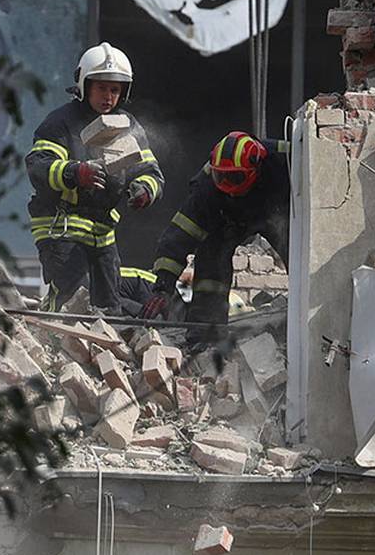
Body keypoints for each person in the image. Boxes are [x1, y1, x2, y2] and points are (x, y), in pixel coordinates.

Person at [25, 42, 164, 314]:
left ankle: (106, 353)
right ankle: (52, 345)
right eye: (101, 87)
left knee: (109, 307)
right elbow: (38, 167)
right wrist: (75, 173)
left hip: (102, 232)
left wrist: (144, 191)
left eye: (115, 89)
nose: (108, 96)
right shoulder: (60, 123)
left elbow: (151, 172)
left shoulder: (128, 126)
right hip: (61, 226)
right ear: (84, 85)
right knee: (70, 299)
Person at [142, 130, 291, 340]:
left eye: (235, 177)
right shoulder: (207, 188)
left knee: (298, 254)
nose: (228, 187)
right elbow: (180, 233)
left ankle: (306, 316)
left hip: (274, 213)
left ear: (255, 167)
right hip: (227, 218)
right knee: (211, 255)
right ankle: (205, 332)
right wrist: (163, 287)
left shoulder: (285, 160)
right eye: (221, 176)